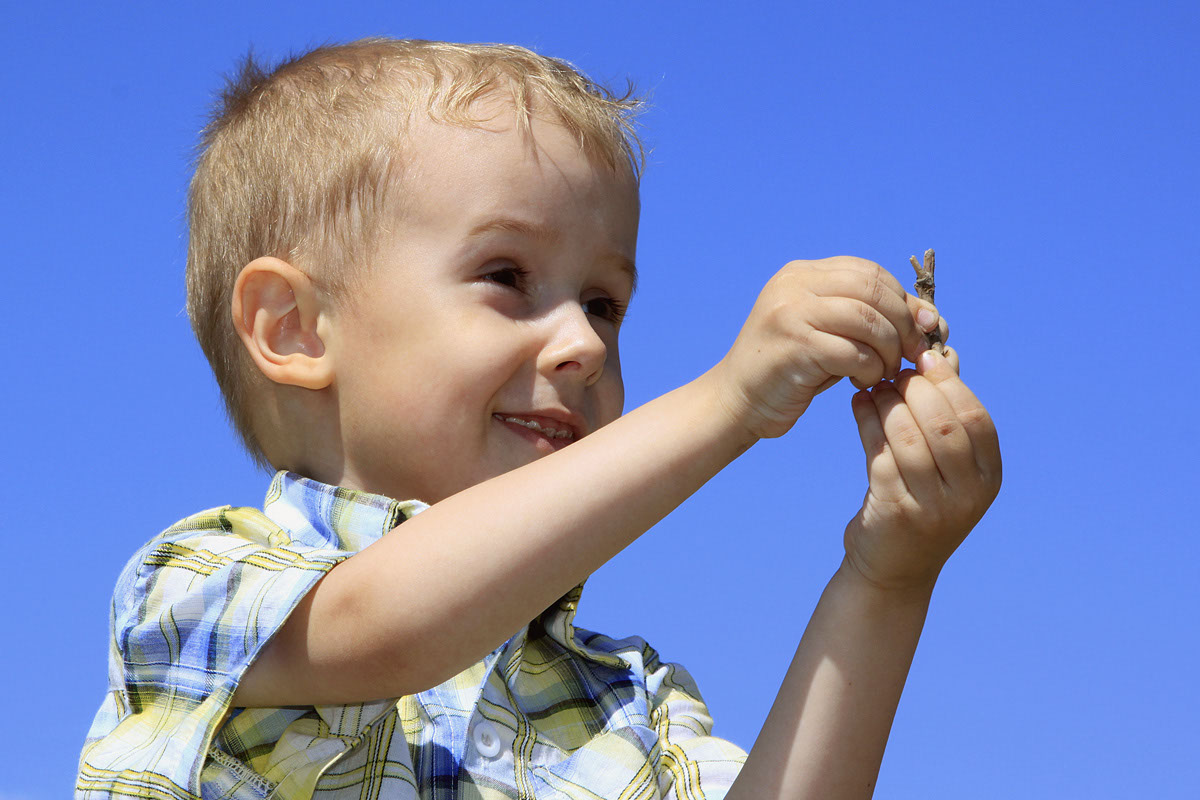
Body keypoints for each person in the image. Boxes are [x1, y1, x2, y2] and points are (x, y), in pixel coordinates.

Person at [77, 37, 1001, 800]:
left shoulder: (630, 703)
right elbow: (386, 623)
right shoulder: (196, 584)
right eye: (508, 278)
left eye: (604, 303)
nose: (585, 344)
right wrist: (727, 402)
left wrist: (885, 579)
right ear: (296, 328)